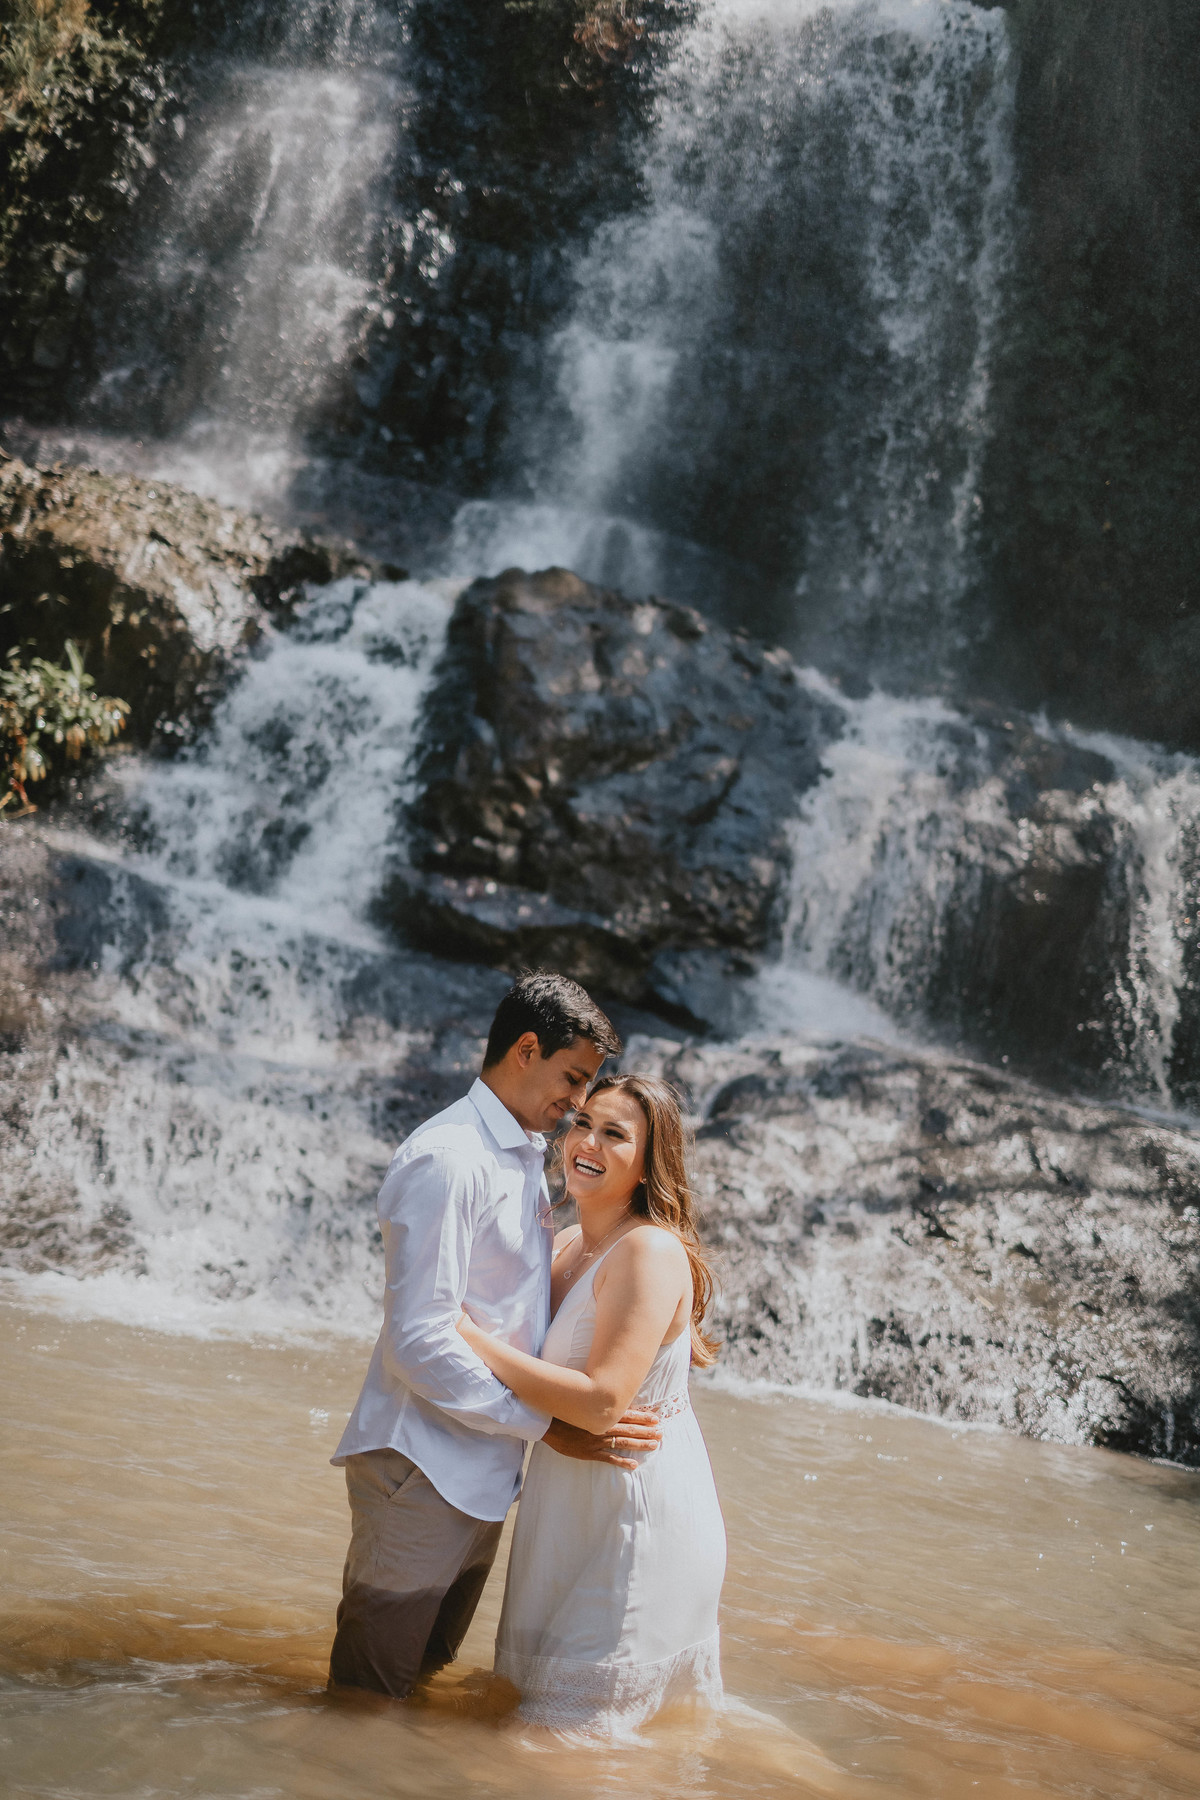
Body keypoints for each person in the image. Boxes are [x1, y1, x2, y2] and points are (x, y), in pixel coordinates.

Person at [327, 971, 663, 1698]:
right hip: (422, 1465)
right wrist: (544, 1427)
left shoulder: (517, 1152)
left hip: (480, 1470)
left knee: (419, 1681)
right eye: (573, 1078)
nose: (578, 1103)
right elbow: (419, 1339)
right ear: (526, 1049)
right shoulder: (450, 1160)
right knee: (364, 1698)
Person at [457, 1072, 728, 1739]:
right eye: (582, 1123)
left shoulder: (649, 1251)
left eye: (614, 1134)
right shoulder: (564, 1246)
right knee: (531, 1713)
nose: (588, 1143)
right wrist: (547, 1431)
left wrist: (467, 1335)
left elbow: (605, 1403)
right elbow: (548, 1392)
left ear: (649, 1162)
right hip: (567, 1503)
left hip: (632, 1507)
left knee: (565, 1742)